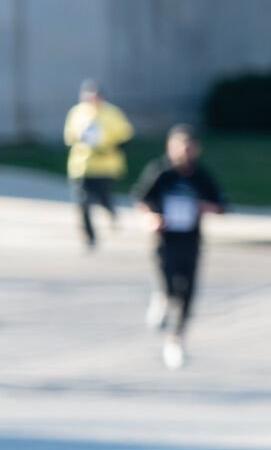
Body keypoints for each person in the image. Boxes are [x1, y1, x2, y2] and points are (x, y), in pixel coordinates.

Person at [133, 125, 229, 370]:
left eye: (189, 148)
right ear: (171, 148)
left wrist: (208, 208)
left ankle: (176, 340)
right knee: (168, 285)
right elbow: (142, 200)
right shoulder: (161, 172)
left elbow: (221, 204)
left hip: (191, 241)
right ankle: (162, 298)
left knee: (187, 292)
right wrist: (151, 218)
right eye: (180, 148)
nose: (185, 153)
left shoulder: (200, 176)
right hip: (166, 240)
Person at [62, 79, 134, 250]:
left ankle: (111, 211)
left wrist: (109, 148)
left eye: (95, 97)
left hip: (105, 167)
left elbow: (126, 137)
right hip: (81, 166)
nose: (91, 101)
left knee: (103, 199)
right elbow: (69, 138)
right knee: (83, 203)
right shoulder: (77, 113)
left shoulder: (112, 113)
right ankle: (90, 237)